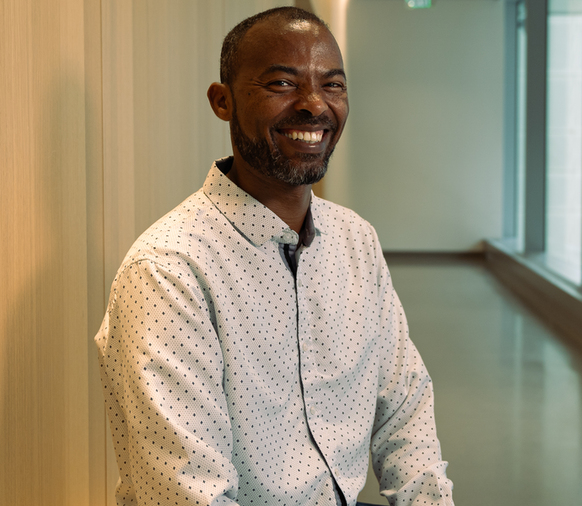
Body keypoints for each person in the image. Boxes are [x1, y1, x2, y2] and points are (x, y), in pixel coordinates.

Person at [94, 7, 454, 506]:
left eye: (332, 85)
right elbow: (190, 494)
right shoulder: (168, 273)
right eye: (282, 83)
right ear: (223, 101)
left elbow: (405, 412)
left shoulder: (355, 240)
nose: (314, 105)